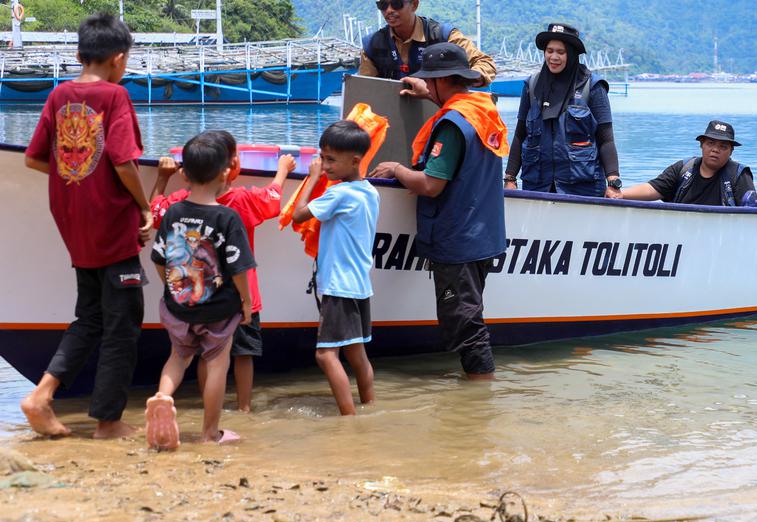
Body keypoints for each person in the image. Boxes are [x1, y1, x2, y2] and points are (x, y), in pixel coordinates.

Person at [20, 13, 152, 440]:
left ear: (79, 54)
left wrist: (75, 181)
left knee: (90, 317)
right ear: (119, 59)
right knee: (123, 324)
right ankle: (109, 422)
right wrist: (145, 207)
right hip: (112, 227)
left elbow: (35, 158)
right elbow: (122, 159)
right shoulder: (115, 97)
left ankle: (41, 397)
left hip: (75, 226)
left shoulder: (59, 95)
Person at [371, 43, 507, 379]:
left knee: (466, 325)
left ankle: (478, 399)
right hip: (482, 236)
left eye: (430, 80)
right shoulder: (481, 111)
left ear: (442, 80)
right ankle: (472, 400)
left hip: (457, 241)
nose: (426, 85)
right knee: (468, 317)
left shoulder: (452, 125)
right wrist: (431, 95)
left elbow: (432, 184)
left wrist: (397, 170)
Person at [149, 134, 296, 412]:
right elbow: (273, 200)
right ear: (228, 168)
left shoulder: (178, 203)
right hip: (241, 299)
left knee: (204, 357)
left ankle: (205, 407)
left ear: (185, 172)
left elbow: (153, 212)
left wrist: (161, 178)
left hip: (194, 297)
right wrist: (282, 170)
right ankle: (244, 409)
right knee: (242, 356)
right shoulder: (242, 200)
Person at [146, 132, 255, 449]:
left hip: (179, 305)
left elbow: (159, 258)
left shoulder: (173, 213)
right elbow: (238, 268)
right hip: (218, 312)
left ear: (183, 174)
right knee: (217, 363)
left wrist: (172, 287)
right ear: (225, 173)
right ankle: (210, 433)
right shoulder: (228, 217)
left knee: (178, 357)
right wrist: (246, 303)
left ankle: (163, 396)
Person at [291, 121, 381, 414]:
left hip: (339, 286)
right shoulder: (370, 192)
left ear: (355, 160)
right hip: (359, 286)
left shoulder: (339, 194)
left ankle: (348, 418)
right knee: (357, 353)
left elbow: (299, 215)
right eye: (323, 158)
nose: (324, 165)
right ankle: (369, 407)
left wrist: (311, 179)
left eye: (331, 159)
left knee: (326, 355)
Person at [504, 23, 621, 198]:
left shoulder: (593, 87)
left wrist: (613, 182)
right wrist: (510, 178)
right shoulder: (532, 86)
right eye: (549, 51)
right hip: (537, 186)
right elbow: (520, 134)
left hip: (582, 188)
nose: (553, 57)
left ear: (572, 54)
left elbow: (606, 139)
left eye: (561, 52)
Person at [358, 0, 496, 87]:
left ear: (414, 5)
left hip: (440, 115)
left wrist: (457, 81)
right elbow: (365, 90)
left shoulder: (443, 36)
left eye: (396, 4)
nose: (389, 10)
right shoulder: (372, 45)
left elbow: (486, 63)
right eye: (383, 4)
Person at [622, 120, 756, 206]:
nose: (715, 150)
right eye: (710, 143)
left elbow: (750, 213)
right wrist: (620, 194)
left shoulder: (738, 175)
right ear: (701, 145)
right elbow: (653, 189)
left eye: (723, 146)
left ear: (731, 151)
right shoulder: (683, 168)